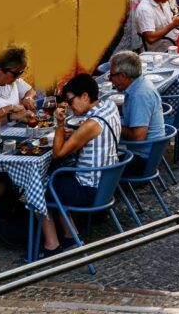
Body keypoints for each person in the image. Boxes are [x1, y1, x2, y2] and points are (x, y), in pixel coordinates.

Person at [40, 72, 121, 257]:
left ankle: (52, 244)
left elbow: (58, 153)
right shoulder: (109, 107)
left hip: (89, 190)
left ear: (85, 96)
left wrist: (59, 124)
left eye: (70, 101)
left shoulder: (91, 124)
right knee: (57, 176)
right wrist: (76, 135)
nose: (69, 107)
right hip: (107, 185)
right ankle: (70, 235)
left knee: (36, 185)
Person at [109, 51, 166, 173]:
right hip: (150, 154)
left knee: (96, 165)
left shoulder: (139, 95)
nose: (110, 80)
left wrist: (112, 125)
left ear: (123, 76)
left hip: (142, 159)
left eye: (111, 75)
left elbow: (138, 136)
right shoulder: (141, 83)